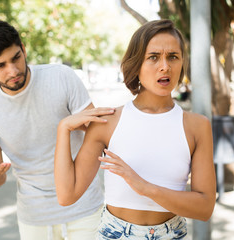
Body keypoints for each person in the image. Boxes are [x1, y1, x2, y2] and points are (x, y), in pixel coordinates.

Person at [55, 19, 216, 239]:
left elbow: (205, 208)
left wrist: (145, 188)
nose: (165, 66)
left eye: (173, 57)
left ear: (182, 64)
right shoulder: (108, 122)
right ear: (136, 64)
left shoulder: (197, 126)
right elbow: (67, 195)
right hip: (115, 233)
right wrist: (63, 129)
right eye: (153, 57)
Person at [0, 19, 113, 240]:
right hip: (34, 218)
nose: (13, 70)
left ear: (24, 49)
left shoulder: (61, 76)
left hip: (85, 208)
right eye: (0, 65)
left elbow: (98, 132)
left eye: (16, 58)